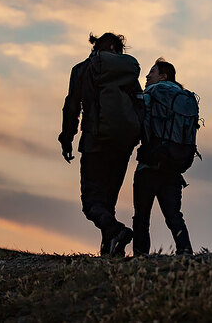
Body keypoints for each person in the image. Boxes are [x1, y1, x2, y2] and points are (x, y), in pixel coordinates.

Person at [58, 32, 143, 256]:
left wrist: (67, 137)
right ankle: (109, 251)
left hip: (95, 143)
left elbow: (72, 106)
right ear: (117, 50)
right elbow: (140, 106)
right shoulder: (127, 74)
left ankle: (116, 231)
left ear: (96, 47)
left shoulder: (82, 69)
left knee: (91, 202)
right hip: (122, 146)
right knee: (108, 200)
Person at [133, 58, 194, 256]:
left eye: (152, 71)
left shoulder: (151, 93)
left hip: (149, 164)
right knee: (174, 216)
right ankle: (185, 251)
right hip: (173, 166)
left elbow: (138, 122)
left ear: (163, 76)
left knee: (142, 217)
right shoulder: (183, 98)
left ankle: (140, 257)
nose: (147, 76)